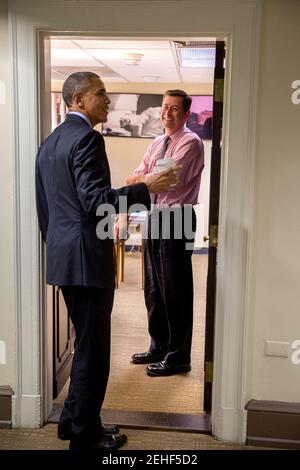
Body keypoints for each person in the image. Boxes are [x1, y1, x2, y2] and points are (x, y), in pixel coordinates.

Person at [35, 72, 178, 451]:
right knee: (94, 351)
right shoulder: (88, 138)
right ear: (79, 100)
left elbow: (45, 211)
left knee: (85, 345)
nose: (108, 100)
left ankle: (73, 421)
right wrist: (146, 187)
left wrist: (60, 250)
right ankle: (85, 436)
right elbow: (97, 201)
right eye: (101, 94)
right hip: (86, 261)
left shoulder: (49, 143)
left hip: (64, 260)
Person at [127, 90, 204, 377]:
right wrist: (146, 179)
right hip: (153, 216)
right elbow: (136, 177)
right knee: (154, 289)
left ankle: (178, 356)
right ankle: (158, 345)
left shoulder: (191, 143)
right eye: (164, 107)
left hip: (177, 217)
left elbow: (167, 181)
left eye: (174, 109)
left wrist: (144, 179)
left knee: (175, 289)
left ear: (185, 114)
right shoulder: (157, 142)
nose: (167, 113)